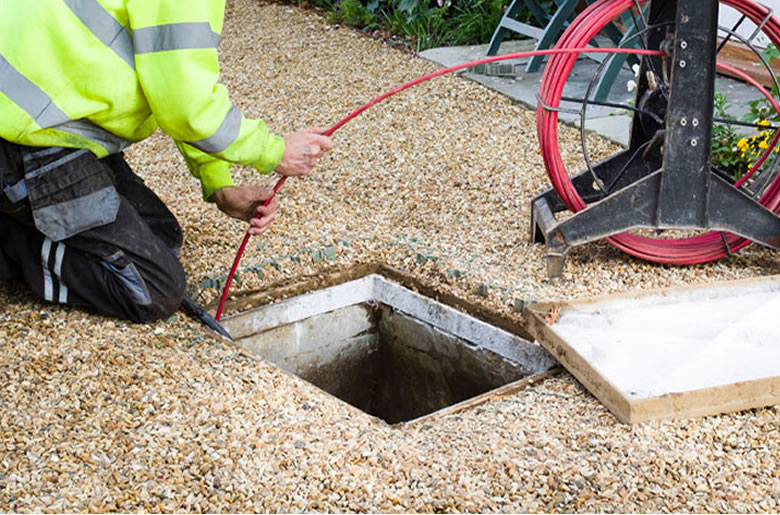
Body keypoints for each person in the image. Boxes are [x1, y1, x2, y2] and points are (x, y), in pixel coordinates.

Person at [0, 0, 334, 323]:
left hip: (46, 122)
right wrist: (274, 151)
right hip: (21, 137)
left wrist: (219, 184)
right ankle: (10, 242)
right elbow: (186, 107)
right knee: (149, 287)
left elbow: (171, 82)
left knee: (161, 237)